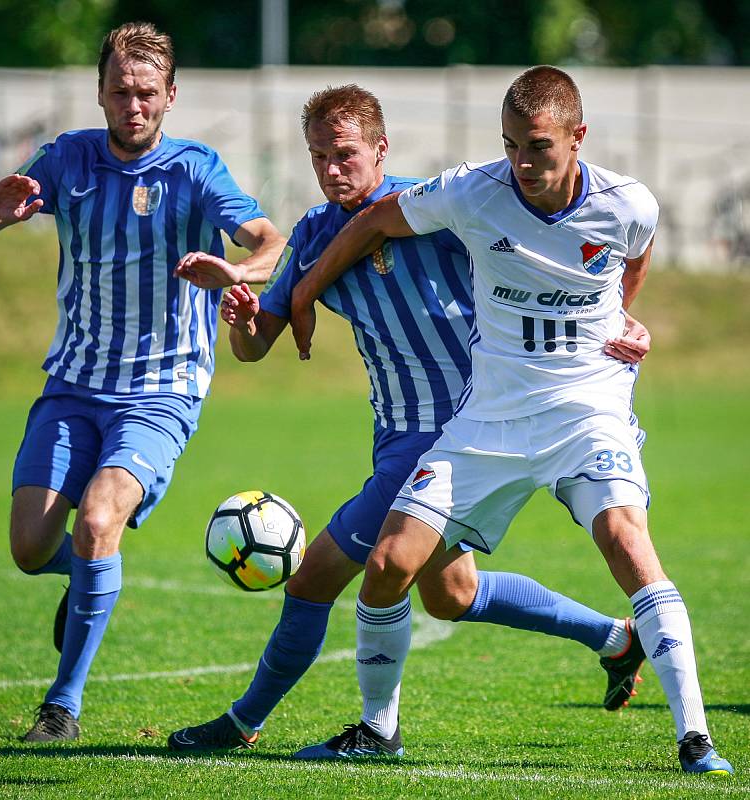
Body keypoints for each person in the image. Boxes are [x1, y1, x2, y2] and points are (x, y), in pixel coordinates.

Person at [167, 84, 652, 755]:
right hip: (394, 433)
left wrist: (613, 320)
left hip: (455, 430)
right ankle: (615, 638)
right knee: (450, 594)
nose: (332, 169)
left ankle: (244, 722)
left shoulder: (440, 210)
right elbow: (256, 347)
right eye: (318, 157)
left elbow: (548, 265)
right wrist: (244, 318)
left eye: (344, 154)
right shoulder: (311, 233)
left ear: (379, 148)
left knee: (313, 578)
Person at [287, 70, 734, 776]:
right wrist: (306, 292)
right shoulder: (474, 189)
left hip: (586, 412)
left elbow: (635, 249)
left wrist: (621, 315)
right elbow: (375, 219)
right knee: (388, 566)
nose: (522, 164)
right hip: (488, 419)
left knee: (625, 542)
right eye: (510, 146)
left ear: (576, 138)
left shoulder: (627, 202)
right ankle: (379, 732)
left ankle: (695, 739)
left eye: (537, 147)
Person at [0, 22, 284, 742]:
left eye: (147, 93)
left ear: (170, 96)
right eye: (121, 91)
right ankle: (94, 575)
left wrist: (236, 273)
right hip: (73, 384)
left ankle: (62, 707)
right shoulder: (67, 159)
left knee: (98, 518)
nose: (133, 105)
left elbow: (269, 241)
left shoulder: (196, 171)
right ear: (101, 93)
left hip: (160, 391)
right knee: (27, 549)